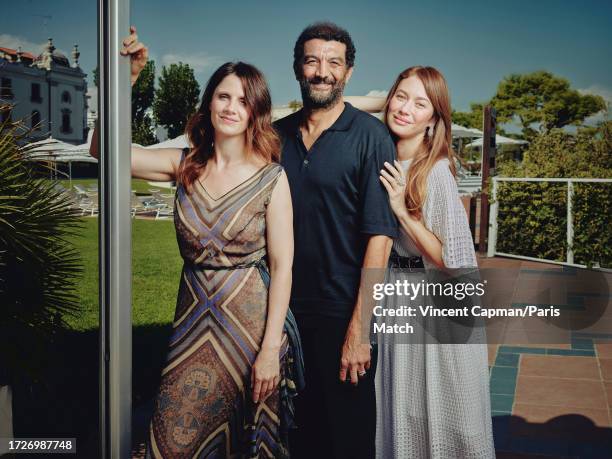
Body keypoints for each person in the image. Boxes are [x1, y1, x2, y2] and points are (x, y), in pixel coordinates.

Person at [91, 27, 299, 458]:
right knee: (172, 438)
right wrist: (125, 82)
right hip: (191, 328)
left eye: (244, 100)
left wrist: (270, 349)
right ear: (209, 102)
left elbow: (283, 267)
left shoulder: (272, 178)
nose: (231, 107)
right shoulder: (182, 163)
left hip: (250, 330)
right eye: (224, 96)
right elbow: (101, 148)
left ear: (255, 111)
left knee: (243, 444)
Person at [348, 67, 495, 458]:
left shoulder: (438, 171)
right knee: (406, 413)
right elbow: (336, 107)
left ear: (435, 118)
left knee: (448, 419)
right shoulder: (386, 158)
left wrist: (403, 212)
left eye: (420, 104)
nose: (405, 110)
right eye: (400, 97)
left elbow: (454, 261)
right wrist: (390, 100)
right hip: (399, 297)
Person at [274, 22, 398, 459]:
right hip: (280, 316)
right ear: (297, 68)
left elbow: (380, 238)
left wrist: (360, 331)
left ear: (348, 72)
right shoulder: (274, 136)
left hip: (344, 316)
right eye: (312, 61)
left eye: (333, 63)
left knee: (346, 441)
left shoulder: (371, 137)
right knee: (295, 440)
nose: (322, 72)